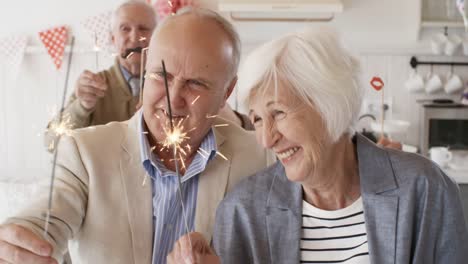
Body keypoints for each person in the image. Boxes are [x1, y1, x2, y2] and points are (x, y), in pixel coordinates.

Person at [167, 27, 468, 264]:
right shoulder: (242, 212)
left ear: (329, 106)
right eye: (257, 119)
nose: (266, 138)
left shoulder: (426, 190)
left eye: (279, 113)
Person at [0, 7, 274, 264]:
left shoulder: (263, 159)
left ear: (227, 92)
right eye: (160, 76)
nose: (173, 99)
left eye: (195, 83)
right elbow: (44, 218)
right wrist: (17, 239)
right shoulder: (83, 152)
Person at [45, 1, 252, 152]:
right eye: (125, 29)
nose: (135, 37)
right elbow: (51, 144)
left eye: (144, 29)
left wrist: (226, 113)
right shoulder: (93, 87)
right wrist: (82, 106)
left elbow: (251, 138)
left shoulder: (186, 84)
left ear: (159, 38)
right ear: (113, 38)